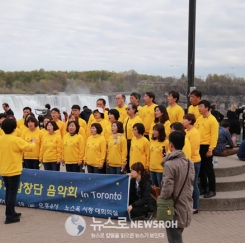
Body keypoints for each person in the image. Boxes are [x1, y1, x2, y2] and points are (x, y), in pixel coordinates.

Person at [159, 131, 194, 243]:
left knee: (174, 238)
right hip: (185, 204)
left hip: (172, 207)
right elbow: (190, 183)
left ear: (170, 145)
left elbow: (167, 187)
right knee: (177, 235)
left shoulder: (169, 164)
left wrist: (161, 199)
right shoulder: (189, 162)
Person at [0, 118, 36, 224]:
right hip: (14, 170)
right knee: (12, 193)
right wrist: (33, 142)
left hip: (4, 169)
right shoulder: (16, 140)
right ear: (14, 128)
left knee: (8, 192)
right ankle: (9, 216)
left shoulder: (1, 139)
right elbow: (29, 148)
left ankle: (11, 211)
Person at [195, 100, 219, 198]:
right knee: (201, 169)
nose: (199, 108)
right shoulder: (199, 119)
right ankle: (204, 188)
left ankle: (212, 189)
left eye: (201, 106)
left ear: (207, 108)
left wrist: (211, 149)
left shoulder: (212, 120)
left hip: (207, 146)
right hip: (199, 146)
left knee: (209, 169)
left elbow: (214, 136)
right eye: (198, 106)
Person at [183, 113, 201, 214]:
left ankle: (195, 206)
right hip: (186, 161)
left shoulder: (194, 133)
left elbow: (192, 149)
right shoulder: (185, 131)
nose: (183, 121)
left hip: (193, 161)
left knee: (193, 184)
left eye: (184, 119)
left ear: (190, 121)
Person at [124, 103, 143, 172]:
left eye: (129, 109)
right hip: (126, 140)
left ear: (134, 110)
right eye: (126, 109)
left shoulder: (138, 119)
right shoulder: (126, 119)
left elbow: (140, 131)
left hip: (134, 140)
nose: (127, 110)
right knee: (127, 157)